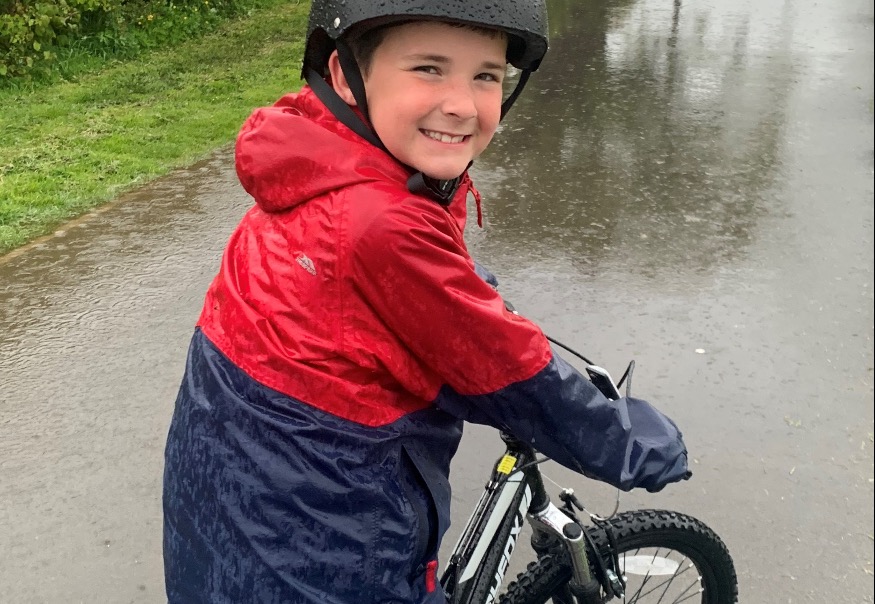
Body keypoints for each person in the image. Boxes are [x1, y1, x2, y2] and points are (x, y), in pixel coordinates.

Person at [162, 1, 691, 602]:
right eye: (429, 68)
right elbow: (515, 379)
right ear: (344, 75)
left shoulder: (313, 166)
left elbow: (349, 295)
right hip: (328, 559)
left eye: (486, 75)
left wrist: (458, 280)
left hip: (224, 514)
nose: (462, 104)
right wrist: (644, 444)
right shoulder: (383, 226)